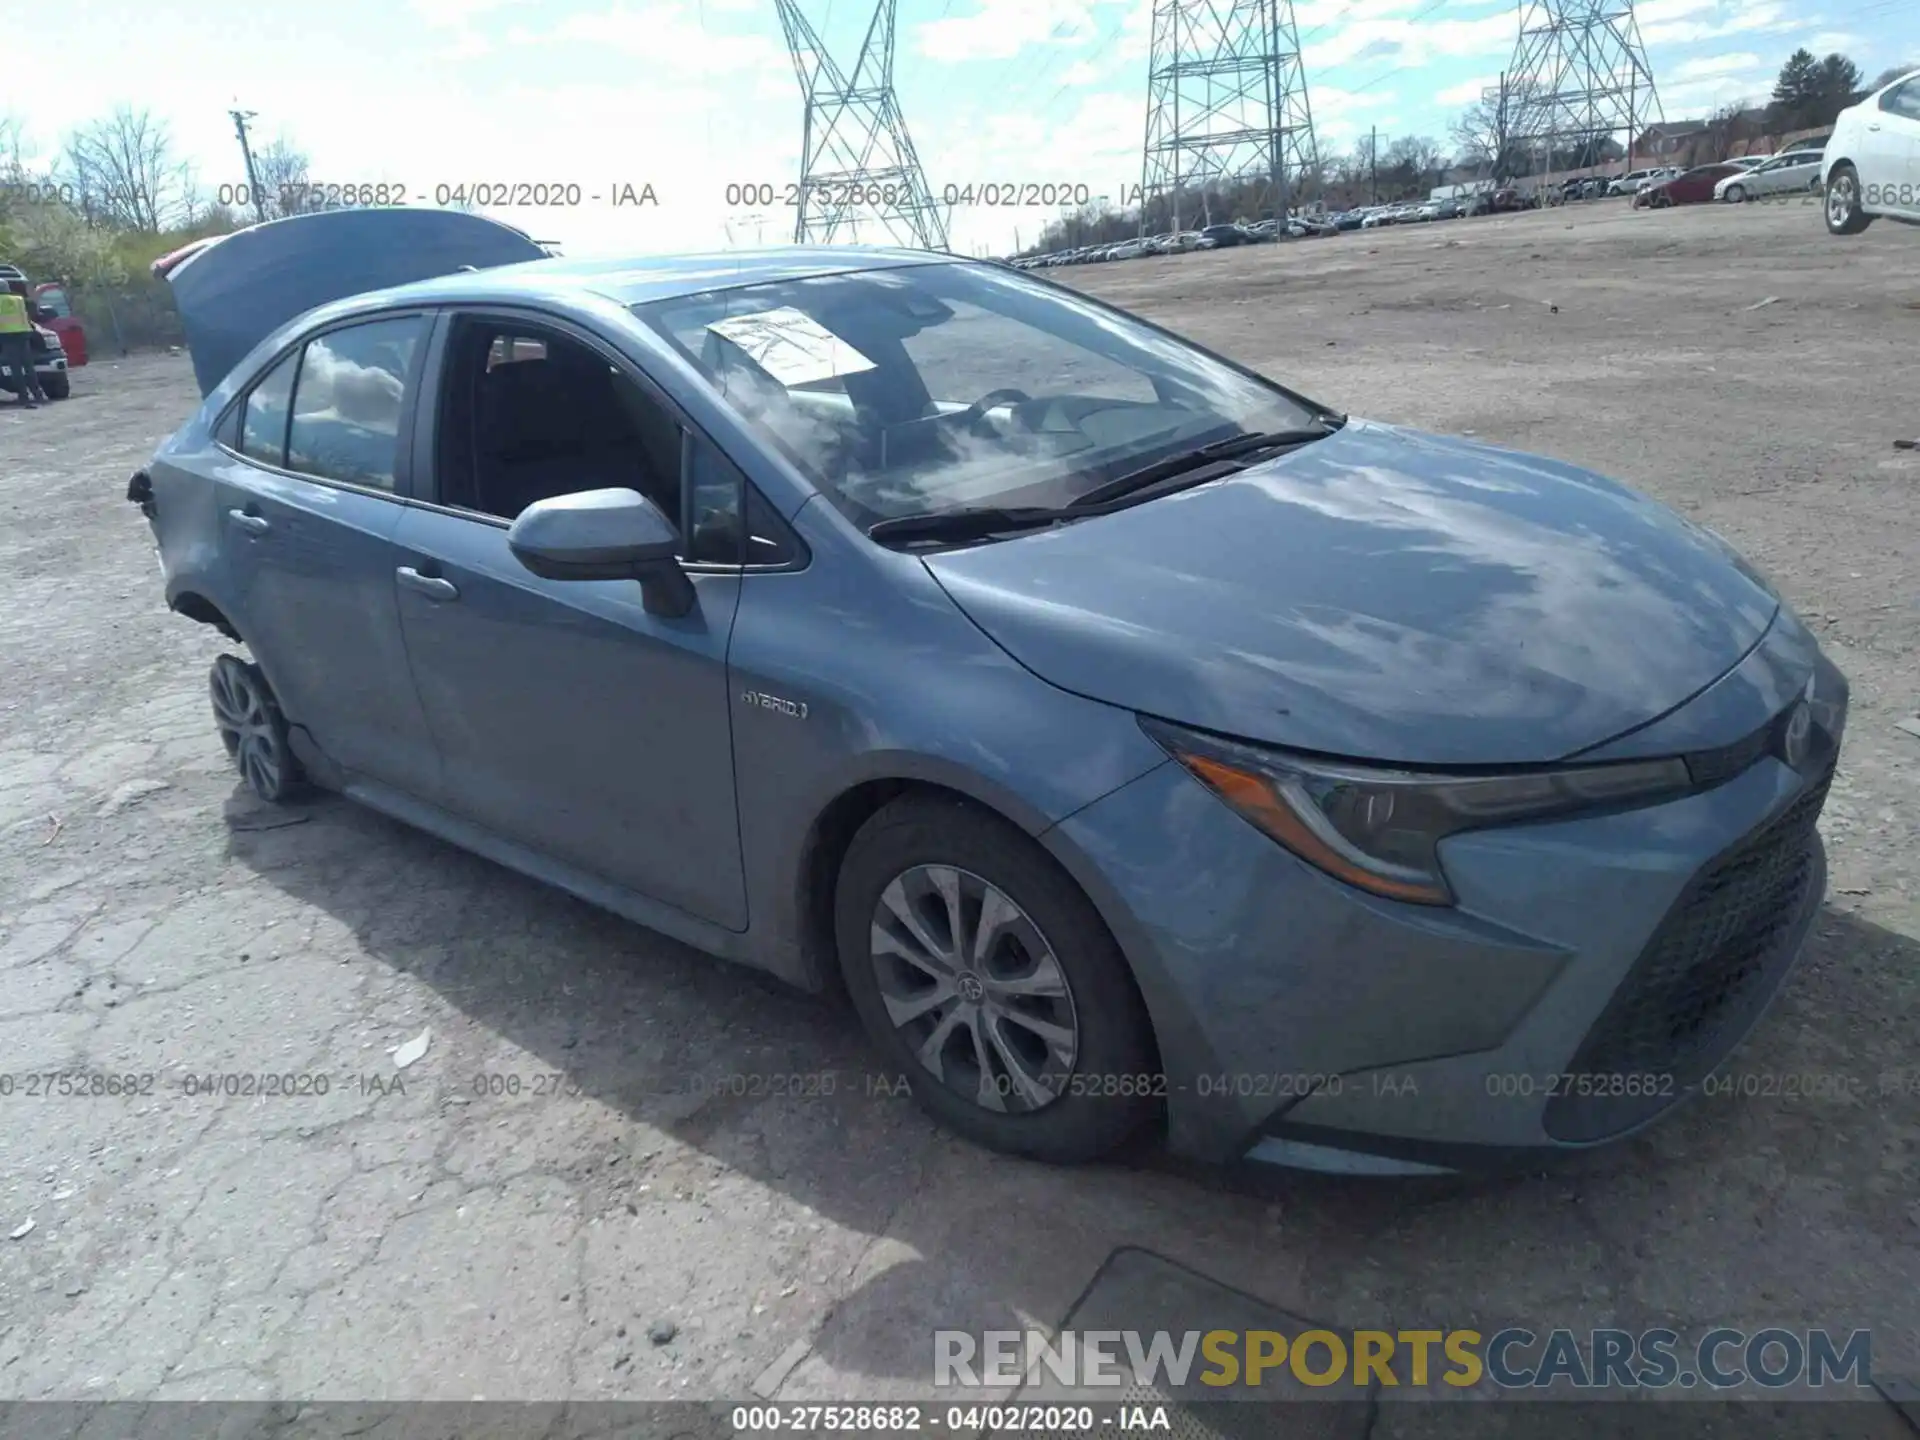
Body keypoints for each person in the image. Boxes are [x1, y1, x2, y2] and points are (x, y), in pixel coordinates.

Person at [0, 281, 46, 408]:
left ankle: (24, 397)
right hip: (23, 334)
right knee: (29, 367)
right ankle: (38, 395)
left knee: (16, 369)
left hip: (7, 336)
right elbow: (27, 315)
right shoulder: (19, 299)